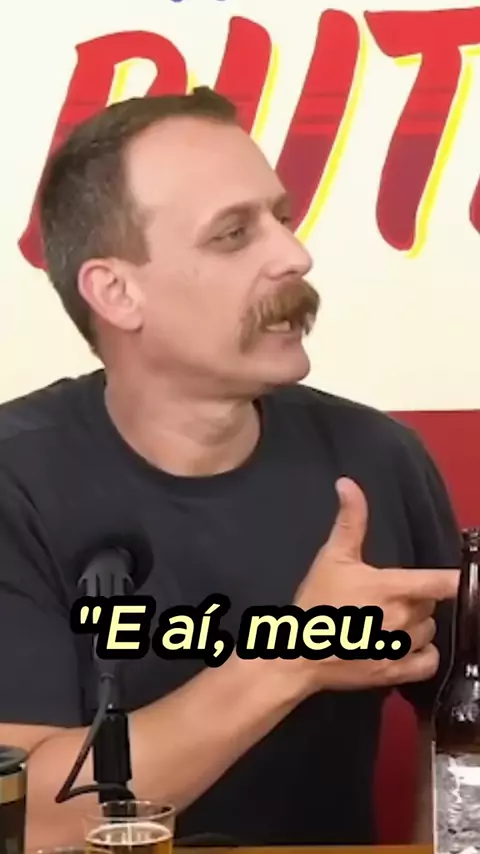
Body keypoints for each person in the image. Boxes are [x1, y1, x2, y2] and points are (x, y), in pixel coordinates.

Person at [0, 87, 460, 851]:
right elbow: (26, 817)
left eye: (281, 218)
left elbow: (462, 721)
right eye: (234, 234)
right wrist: (293, 658)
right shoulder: (17, 482)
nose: (294, 255)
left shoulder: (379, 459)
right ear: (117, 292)